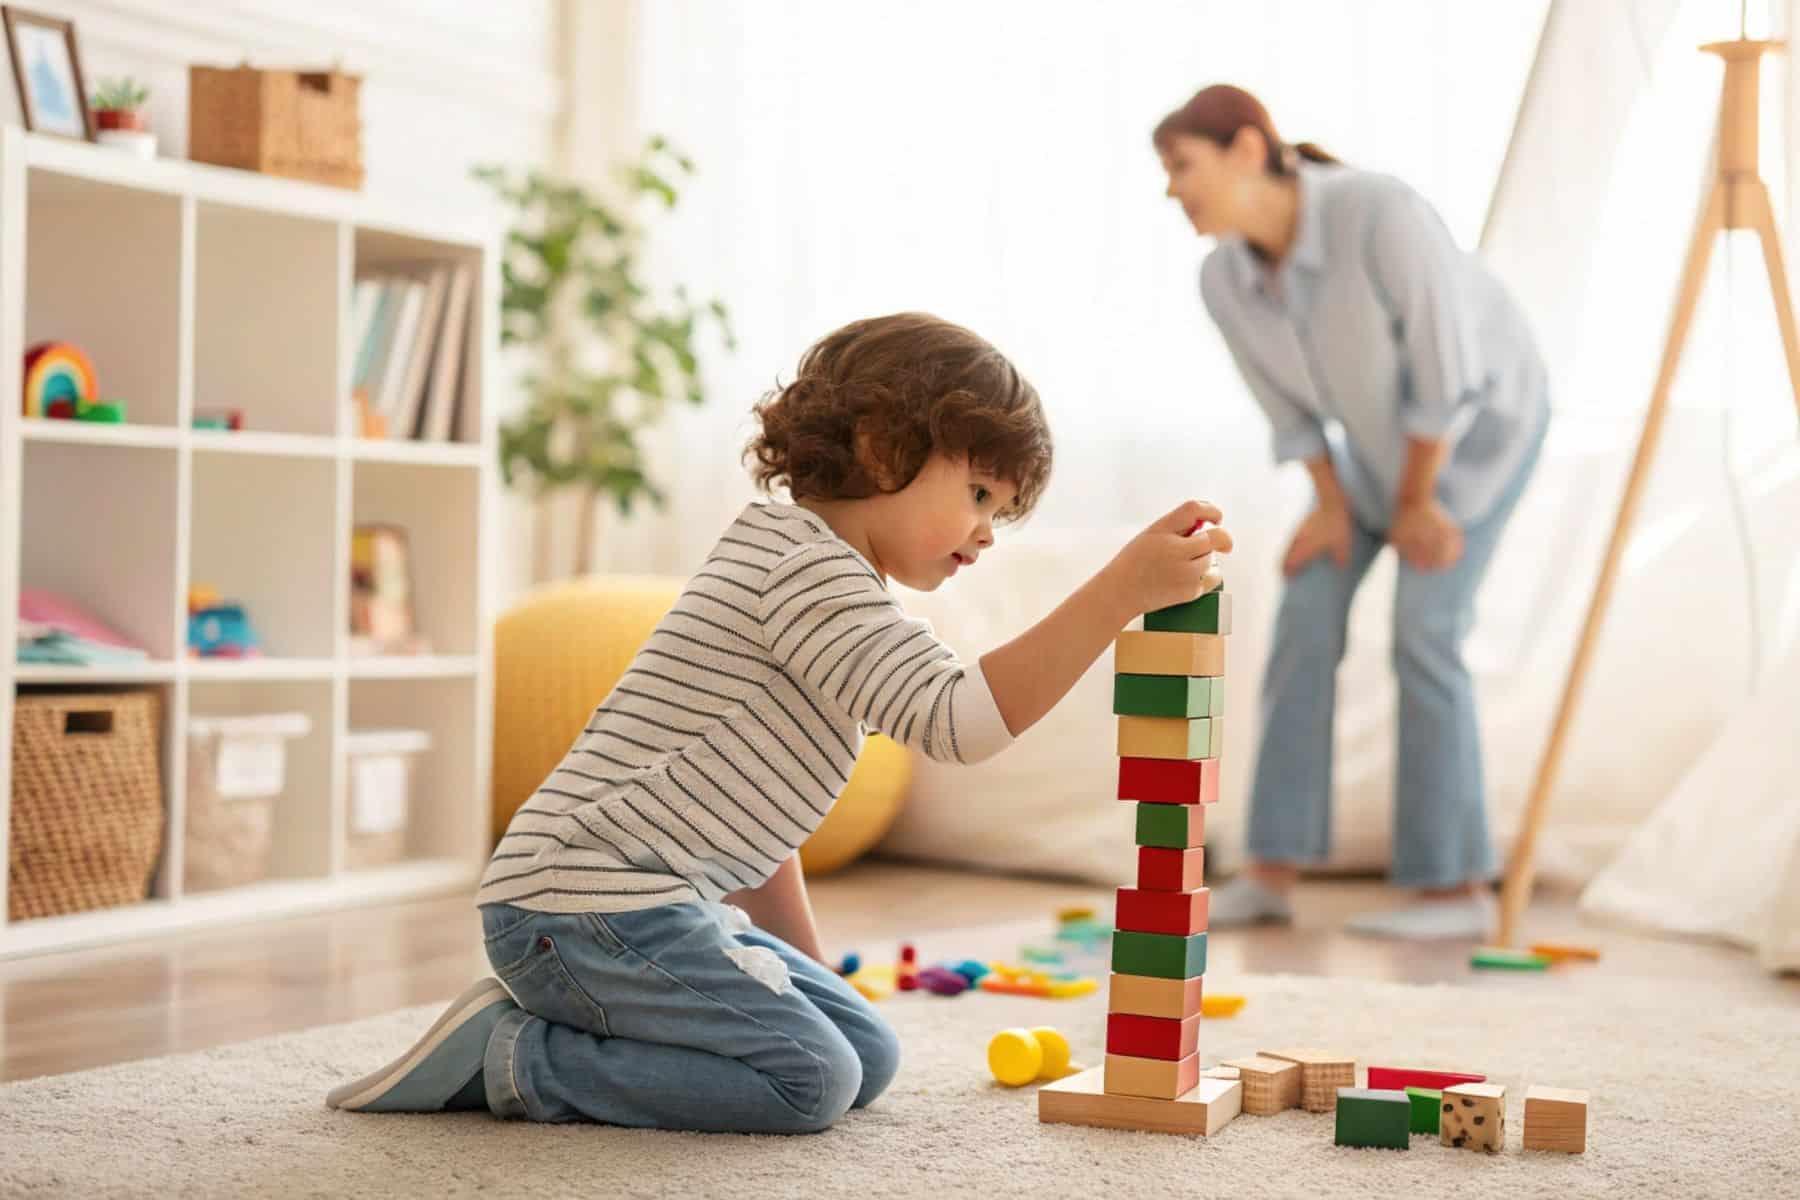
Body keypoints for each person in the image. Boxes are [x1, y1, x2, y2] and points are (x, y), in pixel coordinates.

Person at [325, 312, 1233, 1131]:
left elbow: (757, 821)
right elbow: (961, 722)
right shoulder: (804, 572)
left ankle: (568, 1024)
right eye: (979, 496)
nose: (990, 530)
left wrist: (804, 967)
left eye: (1001, 509)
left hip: (646, 904)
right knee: (809, 1079)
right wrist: (1121, 592)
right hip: (580, 906)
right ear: (881, 449)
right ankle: (517, 1057)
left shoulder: (821, 576)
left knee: (865, 1054)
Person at [1153, 85, 1549, 940]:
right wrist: (1332, 506)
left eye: (1183, 166)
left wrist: (1418, 506)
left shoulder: (1380, 212)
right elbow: (1291, 415)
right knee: (1305, 608)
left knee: (1425, 628)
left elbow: (1449, 377)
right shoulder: (1223, 276)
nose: (1173, 190)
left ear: (1250, 149)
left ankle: (1454, 893)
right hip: (1376, 454)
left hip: (1478, 434)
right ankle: (1270, 871)